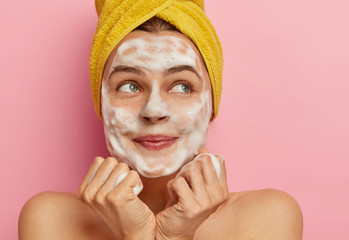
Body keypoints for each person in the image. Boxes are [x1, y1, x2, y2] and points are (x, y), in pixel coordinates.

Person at [18, 0, 303, 239]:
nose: (153, 110)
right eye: (130, 85)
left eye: (182, 86)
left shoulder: (267, 219)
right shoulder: (51, 221)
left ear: (212, 104)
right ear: (101, 102)